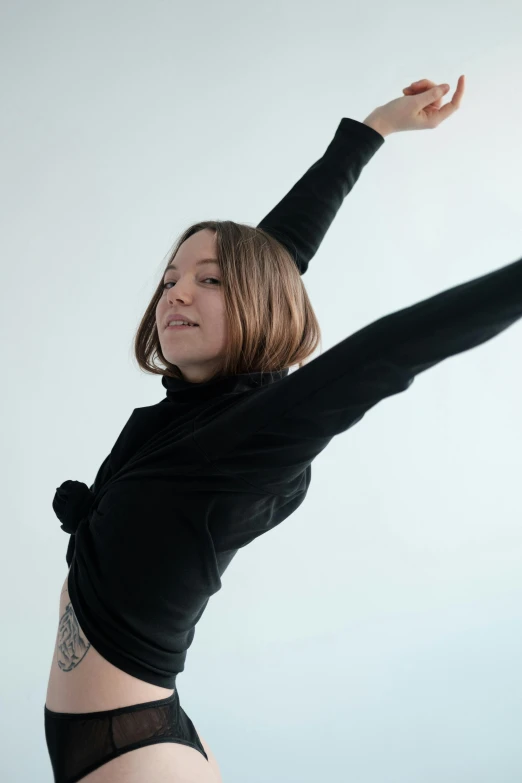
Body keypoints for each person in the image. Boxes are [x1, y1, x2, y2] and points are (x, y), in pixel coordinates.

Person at [45, 74, 521, 783]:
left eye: (208, 281)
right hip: (139, 731)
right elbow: (279, 251)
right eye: (172, 276)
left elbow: (391, 349)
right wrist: (376, 128)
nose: (176, 290)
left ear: (256, 305)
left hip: (135, 758)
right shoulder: (198, 405)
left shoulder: (249, 439)